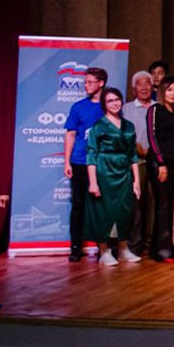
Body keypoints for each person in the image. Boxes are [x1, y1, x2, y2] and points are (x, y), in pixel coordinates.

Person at [86, 87, 142, 266]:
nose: (115, 103)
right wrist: (93, 182)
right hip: (104, 172)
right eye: (110, 101)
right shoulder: (98, 126)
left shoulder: (128, 126)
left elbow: (133, 155)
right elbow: (91, 155)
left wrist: (136, 180)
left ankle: (123, 249)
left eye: (117, 99)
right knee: (104, 211)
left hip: (124, 173)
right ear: (104, 104)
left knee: (124, 211)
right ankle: (104, 251)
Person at [63, 67, 107, 262]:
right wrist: (67, 161)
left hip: (102, 163)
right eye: (85, 82)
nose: (86, 85)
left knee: (101, 206)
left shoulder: (109, 106)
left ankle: (103, 247)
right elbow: (71, 134)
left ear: (101, 83)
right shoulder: (78, 107)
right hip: (80, 161)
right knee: (78, 204)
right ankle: (75, 247)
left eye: (90, 82)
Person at [146, 76, 174, 262]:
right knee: (162, 205)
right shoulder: (155, 109)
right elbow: (151, 136)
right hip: (159, 163)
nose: (173, 93)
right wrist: (160, 163)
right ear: (162, 91)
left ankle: (162, 245)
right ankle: (162, 249)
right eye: (169, 89)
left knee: (169, 205)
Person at [122, 70, 155, 258]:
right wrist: (136, 146)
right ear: (134, 88)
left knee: (153, 204)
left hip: (156, 163)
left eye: (147, 83)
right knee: (136, 205)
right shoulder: (126, 109)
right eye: (140, 84)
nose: (144, 87)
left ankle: (150, 244)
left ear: (152, 87)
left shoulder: (158, 107)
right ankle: (134, 245)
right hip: (135, 163)